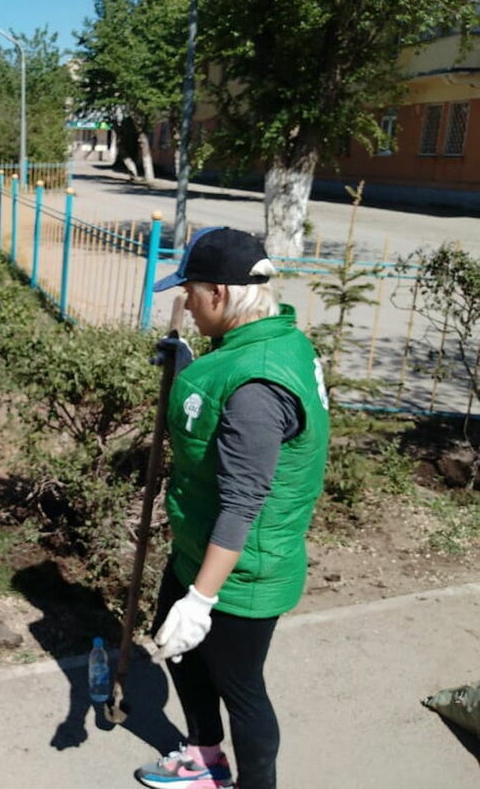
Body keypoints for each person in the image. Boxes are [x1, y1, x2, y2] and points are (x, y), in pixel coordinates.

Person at [133, 228, 330, 789]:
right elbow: (227, 405)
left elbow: (244, 500)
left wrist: (201, 600)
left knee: (241, 689)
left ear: (218, 293)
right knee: (177, 648)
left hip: (241, 570)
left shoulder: (258, 387)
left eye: (190, 292)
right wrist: (190, 363)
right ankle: (204, 757)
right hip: (202, 546)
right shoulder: (265, 343)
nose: (186, 304)